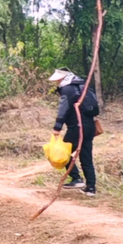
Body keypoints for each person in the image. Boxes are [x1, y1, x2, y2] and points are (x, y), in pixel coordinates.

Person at [49, 68, 100, 196]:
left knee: (63, 153)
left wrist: (57, 127)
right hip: (89, 127)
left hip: (77, 127)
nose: (57, 83)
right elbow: (95, 109)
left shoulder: (68, 89)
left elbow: (63, 109)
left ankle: (76, 178)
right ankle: (91, 188)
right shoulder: (85, 87)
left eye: (58, 80)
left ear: (63, 78)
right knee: (86, 157)